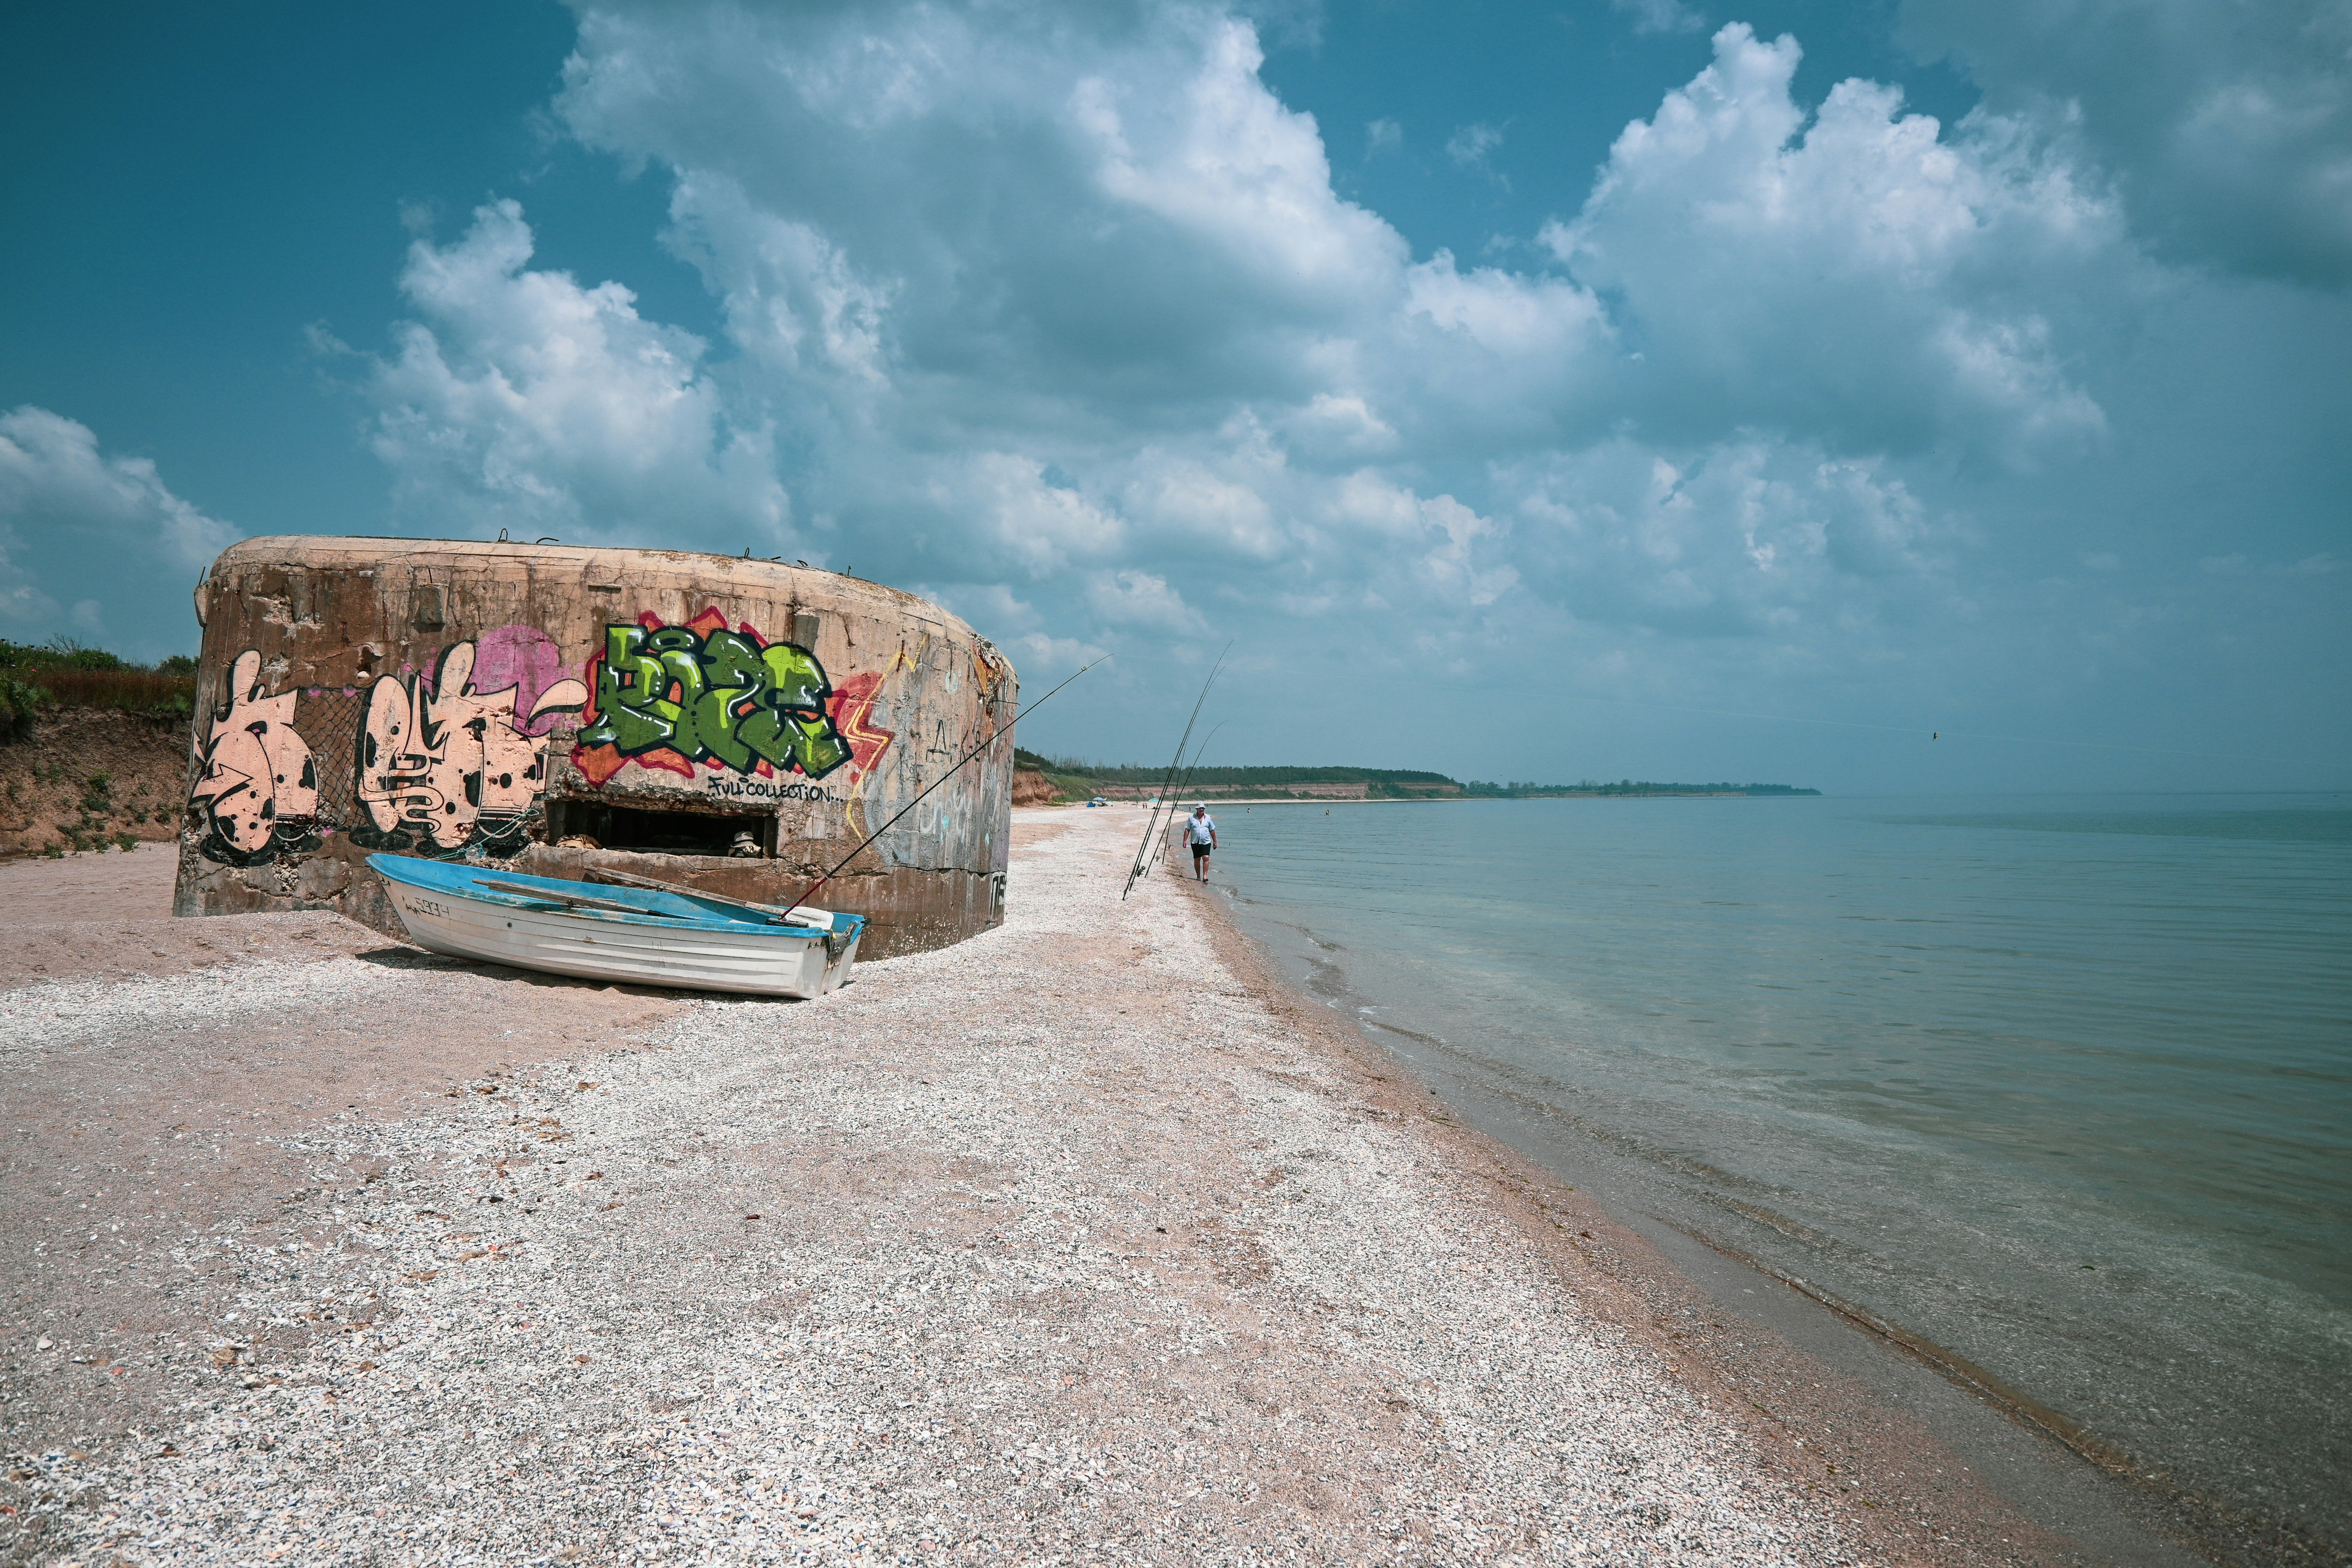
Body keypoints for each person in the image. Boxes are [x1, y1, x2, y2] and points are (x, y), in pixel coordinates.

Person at [1183, 803, 1217, 881]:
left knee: (1206, 858)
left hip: (1206, 842)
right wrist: (1185, 840)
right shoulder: (1192, 818)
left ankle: (1205, 876)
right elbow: (1187, 829)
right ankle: (1198, 876)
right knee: (1197, 859)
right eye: (1200, 808)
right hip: (1195, 842)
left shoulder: (1208, 818)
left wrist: (1215, 841)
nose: (1202, 810)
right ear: (1197, 809)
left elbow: (1212, 830)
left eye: (1203, 808)